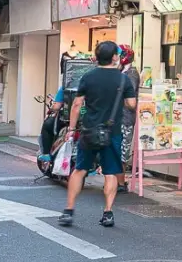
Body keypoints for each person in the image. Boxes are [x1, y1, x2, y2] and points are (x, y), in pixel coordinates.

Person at [58, 41, 136, 228]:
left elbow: (77, 105)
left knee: (80, 170)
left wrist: (71, 129)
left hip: (89, 130)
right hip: (112, 132)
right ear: (115, 57)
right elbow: (131, 104)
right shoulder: (123, 79)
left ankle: (69, 210)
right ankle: (108, 213)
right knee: (110, 172)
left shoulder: (88, 76)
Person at [115, 45, 141, 193]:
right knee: (117, 148)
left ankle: (120, 181)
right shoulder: (122, 72)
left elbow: (129, 99)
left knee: (122, 150)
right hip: (119, 117)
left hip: (125, 117)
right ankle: (117, 180)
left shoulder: (131, 74)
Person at [38, 86, 67, 162]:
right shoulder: (95, 85)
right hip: (91, 121)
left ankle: (46, 154)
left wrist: (51, 109)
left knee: (47, 126)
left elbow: (56, 106)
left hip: (66, 121)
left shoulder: (65, 87)